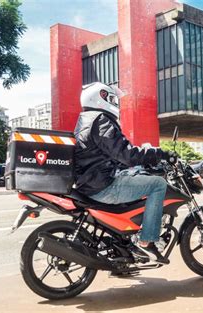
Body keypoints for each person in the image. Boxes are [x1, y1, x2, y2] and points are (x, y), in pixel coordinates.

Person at [74, 82, 176, 264]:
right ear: (101, 97)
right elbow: (127, 154)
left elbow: (107, 155)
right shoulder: (101, 120)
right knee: (158, 185)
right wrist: (159, 154)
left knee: (137, 177)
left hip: (92, 180)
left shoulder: (86, 119)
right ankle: (147, 242)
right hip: (101, 185)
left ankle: (122, 246)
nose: (116, 104)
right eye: (113, 99)